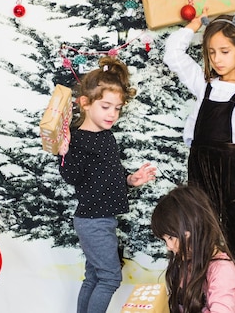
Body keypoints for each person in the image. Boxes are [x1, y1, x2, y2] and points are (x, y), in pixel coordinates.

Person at [163, 10, 235, 312]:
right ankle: (202, 299)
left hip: (231, 172)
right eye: (211, 53)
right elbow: (173, 54)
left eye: (224, 51)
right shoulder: (204, 85)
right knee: (199, 238)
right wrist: (194, 26)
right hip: (199, 167)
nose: (217, 59)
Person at [58, 56, 157, 313]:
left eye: (117, 108)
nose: (112, 113)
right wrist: (65, 152)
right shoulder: (78, 140)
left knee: (94, 277)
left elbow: (109, 174)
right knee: (111, 278)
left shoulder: (106, 136)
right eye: (105, 106)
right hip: (93, 220)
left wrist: (130, 180)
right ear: (86, 103)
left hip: (103, 218)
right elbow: (72, 177)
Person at [151, 185, 235, 313]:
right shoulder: (186, 259)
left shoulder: (222, 272)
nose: (169, 246)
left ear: (196, 228)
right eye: (165, 240)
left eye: (171, 237)